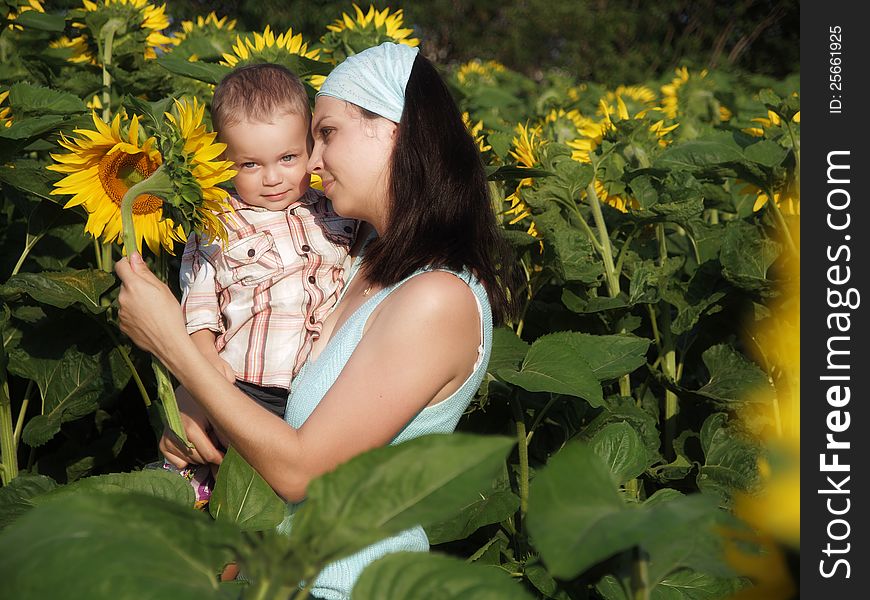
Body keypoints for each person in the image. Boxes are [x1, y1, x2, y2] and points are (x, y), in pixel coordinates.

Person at [116, 42, 521, 599]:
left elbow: (301, 471)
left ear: (396, 130)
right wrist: (200, 396)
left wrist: (173, 346)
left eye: (326, 134)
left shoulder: (437, 297)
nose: (310, 161)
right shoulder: (353, 257)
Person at [163, 63, 357, 505]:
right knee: (213, 483)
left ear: (309, 147)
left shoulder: (333, 208)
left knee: (271, 500)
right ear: (223, 160)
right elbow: (199, 297)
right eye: (250, 164)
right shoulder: (218, 221)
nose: (272, 178)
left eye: (288, 159)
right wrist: (203, 361)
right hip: (245, 383)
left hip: (313, 390)